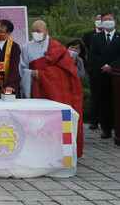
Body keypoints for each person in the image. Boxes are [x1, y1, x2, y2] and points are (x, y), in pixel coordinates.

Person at [20, 20, 84, 156]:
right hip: (34, 86)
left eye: (38, 31)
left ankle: (57, 149)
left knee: (53, 118)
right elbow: (21, 68)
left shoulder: (58, 48)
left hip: (54, 88)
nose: (35, 33)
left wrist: (44, 74)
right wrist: (30, 73)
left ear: (46, 31)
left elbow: (66, 71)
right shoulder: (26, 48)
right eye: (33, 31)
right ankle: (35, 148)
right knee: (36, 119)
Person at [87, 12, 120, 139]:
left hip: (116, 73)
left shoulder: (119, 36)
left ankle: (116, 127)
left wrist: (112, 66)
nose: (107, 21)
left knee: (116, 102)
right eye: (105, 20)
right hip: (101, 73)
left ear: (115, 21)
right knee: (103, 102)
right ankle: (106, 129)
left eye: (110, 19)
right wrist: (104, 66)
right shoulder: (96, 37)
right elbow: (93, 54)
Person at [83, 13, 103, 129]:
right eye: (97, 19)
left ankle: (109, 120)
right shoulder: (88, 35)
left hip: (109, 69)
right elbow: (83, 52)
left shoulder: (113, 36)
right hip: (94, 69)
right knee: (95, 95)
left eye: (102, 19)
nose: (100, 21)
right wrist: (87, 66)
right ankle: (94, 120)